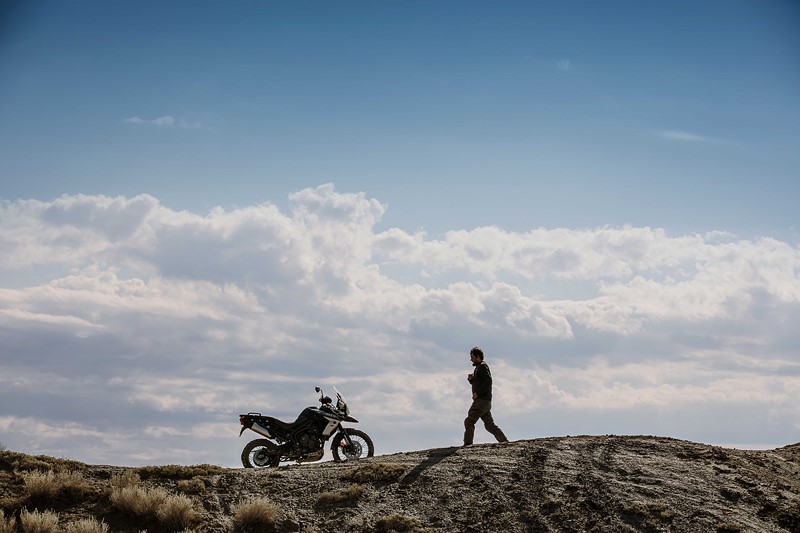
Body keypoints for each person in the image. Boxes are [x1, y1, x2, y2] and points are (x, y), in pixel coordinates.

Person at [463, 346, 508, 446]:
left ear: (478, 357)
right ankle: (504, 442)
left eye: (472, 357)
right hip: (485, 401)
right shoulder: (479, 368)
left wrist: (478, 393)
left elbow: (488, 381)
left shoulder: (482, 367)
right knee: (489, 425)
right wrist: (471, 380)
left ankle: (467, 443)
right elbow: (481, 383)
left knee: (469, 421)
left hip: (481, 401)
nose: (471, 359)